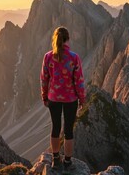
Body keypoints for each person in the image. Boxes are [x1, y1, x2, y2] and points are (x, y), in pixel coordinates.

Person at [40, 26, 85, 171]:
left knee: (55, 128)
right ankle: (67, 161)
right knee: (68, 131)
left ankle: (55, 159)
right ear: (68, 39)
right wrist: (82, 99)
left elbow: (44, 79)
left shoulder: (48, 57)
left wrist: (44, 96)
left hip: (53, 98)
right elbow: (79, 81)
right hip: (70, 99)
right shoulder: (74, 57)